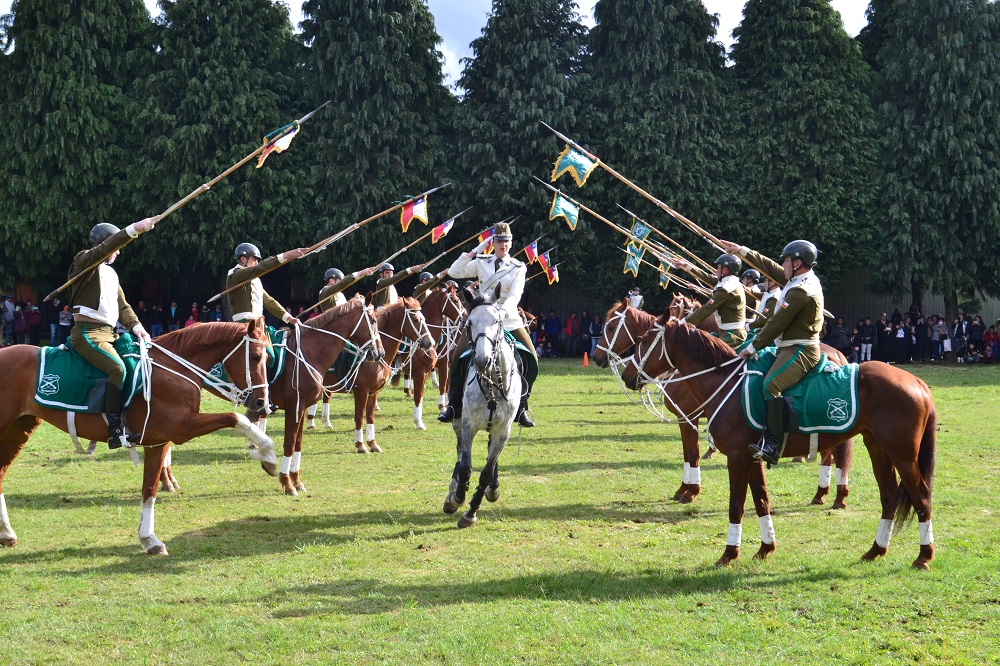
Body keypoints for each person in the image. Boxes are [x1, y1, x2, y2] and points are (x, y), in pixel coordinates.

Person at [720, 239, 824, 465]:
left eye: (786, 260)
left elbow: (776, 324)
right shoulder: (795, 279)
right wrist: (742, 251)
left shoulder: (801, 290)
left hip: (801, 349)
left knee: (771, 385)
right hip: (786, 346)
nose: (783, 265)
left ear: (797, 262)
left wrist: (750, 347)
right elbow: (767, 265)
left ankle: (773, 444)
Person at [67, 217, 157, 448]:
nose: (117, 253)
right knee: (116, 368)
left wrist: (138, 328)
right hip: (88, 333)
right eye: (115, 248)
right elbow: (106, 248)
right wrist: (135, 229)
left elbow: (123, 306)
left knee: (136, 364)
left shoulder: (111, 274)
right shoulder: (84, 261)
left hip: (110, 333)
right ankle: (114, 430)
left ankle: (132, 418)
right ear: (105, 245)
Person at [438, 221, 537, 427]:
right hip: (482, 319)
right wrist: (476, 250)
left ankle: (522, 407)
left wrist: (500, 312)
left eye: (507, 241)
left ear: (511, 243)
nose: (504, 245)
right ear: (493, 242)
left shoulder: (518, 267)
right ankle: (453, 404)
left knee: (532, 359)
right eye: (499, 241)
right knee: (457, 358)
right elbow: (455, 272)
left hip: (507, 319)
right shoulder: (481, 262)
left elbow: (515, 295)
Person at [671, 253, 748, 350]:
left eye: (718, 268)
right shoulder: (730, 281)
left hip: (733, 335)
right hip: (727, 332)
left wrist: (681, 324)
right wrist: (685, 265)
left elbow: (705, 310)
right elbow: (706, 277)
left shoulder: (726, 288)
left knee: (707, 360)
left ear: (725, 270)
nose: (716, 271)